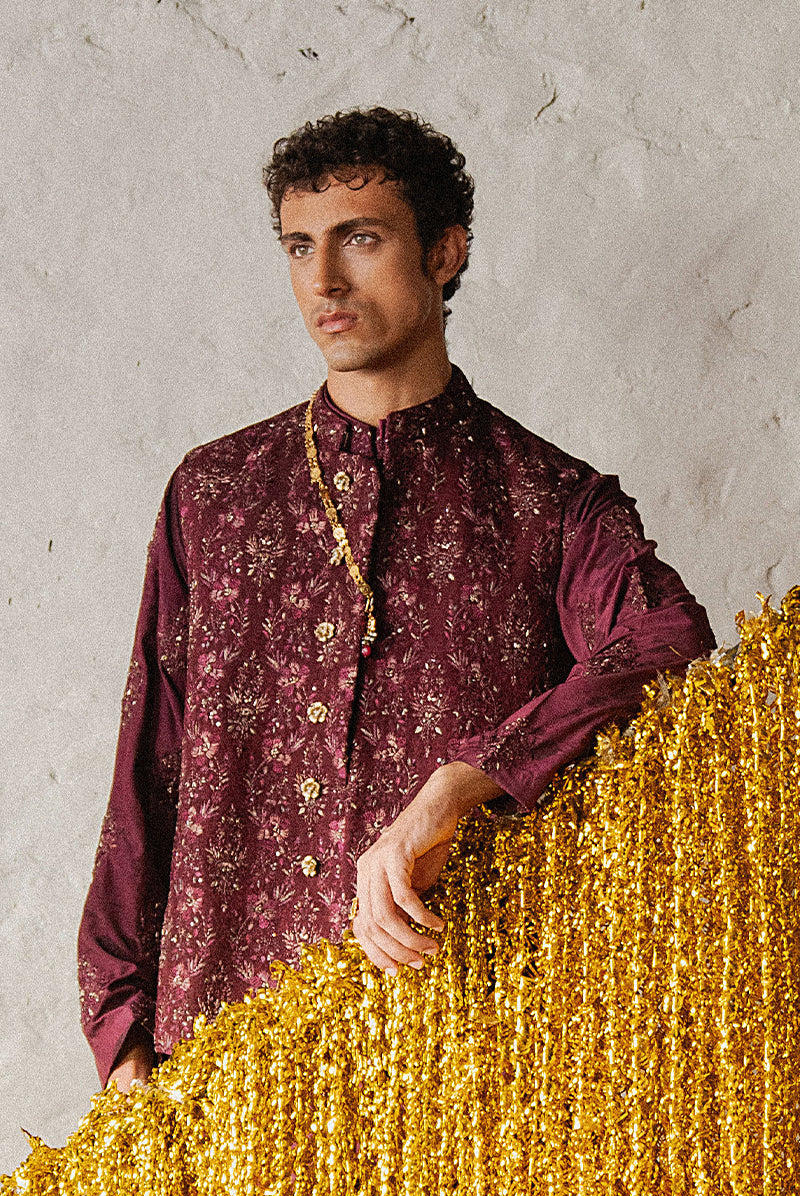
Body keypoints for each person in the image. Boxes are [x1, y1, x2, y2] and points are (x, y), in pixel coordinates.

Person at [78, 107, 715, 1093]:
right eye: (300, 247)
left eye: (360, 239)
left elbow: (666, 639)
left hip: (458, 1058)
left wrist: (468, 780)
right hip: (222, 1052)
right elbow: (147, 765)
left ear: (444, 253)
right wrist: (121, 1028)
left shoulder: (548, 500)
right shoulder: (215, 492)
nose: (324, 281)